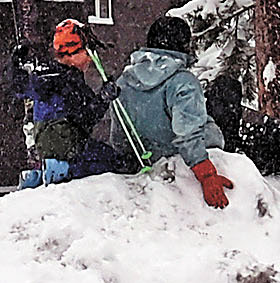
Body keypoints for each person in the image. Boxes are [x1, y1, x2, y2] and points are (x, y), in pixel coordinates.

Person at [109, 16, 235, 208]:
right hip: (193, 155)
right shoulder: (182, 82)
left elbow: (119, 138)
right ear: (183, 44)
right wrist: (207, 175)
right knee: (227, 90)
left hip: (145, 157)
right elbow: (187, 134)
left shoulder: (124, 82)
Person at [16, 20, 115, 186]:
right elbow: (85, 118)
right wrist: (104, 98)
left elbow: (20, 88)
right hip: (65, 140)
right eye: (86, 52)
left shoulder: (46, 74)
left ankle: (37, 175)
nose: (90, 58)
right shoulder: (69, 80)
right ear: (71, 54)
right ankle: (62, 169)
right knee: (111, 161)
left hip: (44, 140)